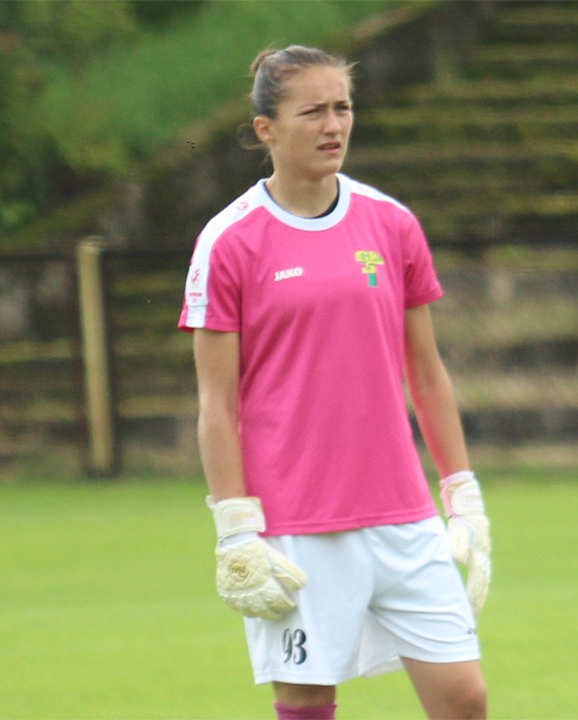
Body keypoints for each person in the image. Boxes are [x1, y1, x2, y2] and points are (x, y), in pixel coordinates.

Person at [178, 45, 491, 720]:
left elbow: (426, 374)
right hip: (296, 523)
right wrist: (235, 528)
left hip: (403, 513)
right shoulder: (229, 241)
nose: (333, 125)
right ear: (266, 129)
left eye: (342, 108)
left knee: (465, 698)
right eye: (313, 111)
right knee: (308, 702)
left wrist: (461, 491)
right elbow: (216, 403)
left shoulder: (391, 222)